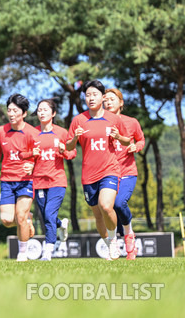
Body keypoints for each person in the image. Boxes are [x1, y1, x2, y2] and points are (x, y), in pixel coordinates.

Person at [66, 80, 130, 260]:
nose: (91, 98)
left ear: (102, 97)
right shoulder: (79, 120)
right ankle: (110, 244)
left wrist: (118, 136)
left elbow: (127, 141)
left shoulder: (113, 119)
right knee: (98, 215)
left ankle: (114, 240)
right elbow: (69, 147)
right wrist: (74, 138)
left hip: (110, 170)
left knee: (106, 205)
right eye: (88, 95)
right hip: (88, 175)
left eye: (94, 94)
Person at [0, 94, 39, 262]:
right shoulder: (0, 132)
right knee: (6, 220)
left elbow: (40, 157)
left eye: (15, 111)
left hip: (26, 180)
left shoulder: (33, 133)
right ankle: (29, 218)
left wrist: (32, 165)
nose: (11, 114)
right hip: (6, 181)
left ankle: (22, 254)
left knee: (20, 217)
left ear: (24, 113)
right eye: (9, 110)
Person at [32, 99, 76, 261]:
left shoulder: (62, 133)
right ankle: (61, 224)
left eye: (45, 109)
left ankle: (48, 251)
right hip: (38, 181)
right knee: (46, 216)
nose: (41, 112)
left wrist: (64, 151)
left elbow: (73, 153)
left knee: (49, 214)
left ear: (53, 113)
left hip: (57, 181)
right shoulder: (32, 132)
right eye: (39, 110)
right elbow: (25, 155)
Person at [104, 88, 145, 260]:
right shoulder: (100, 123)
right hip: (107, 173)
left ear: (121, 102)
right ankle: (116, 246)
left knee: (120, 203)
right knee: (108, 208)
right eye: (105, 100)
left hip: (127, 171)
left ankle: (129, 235)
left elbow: (141, 139)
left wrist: (137, 146)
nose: (108, 102)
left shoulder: (132, 122)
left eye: (112, 99)